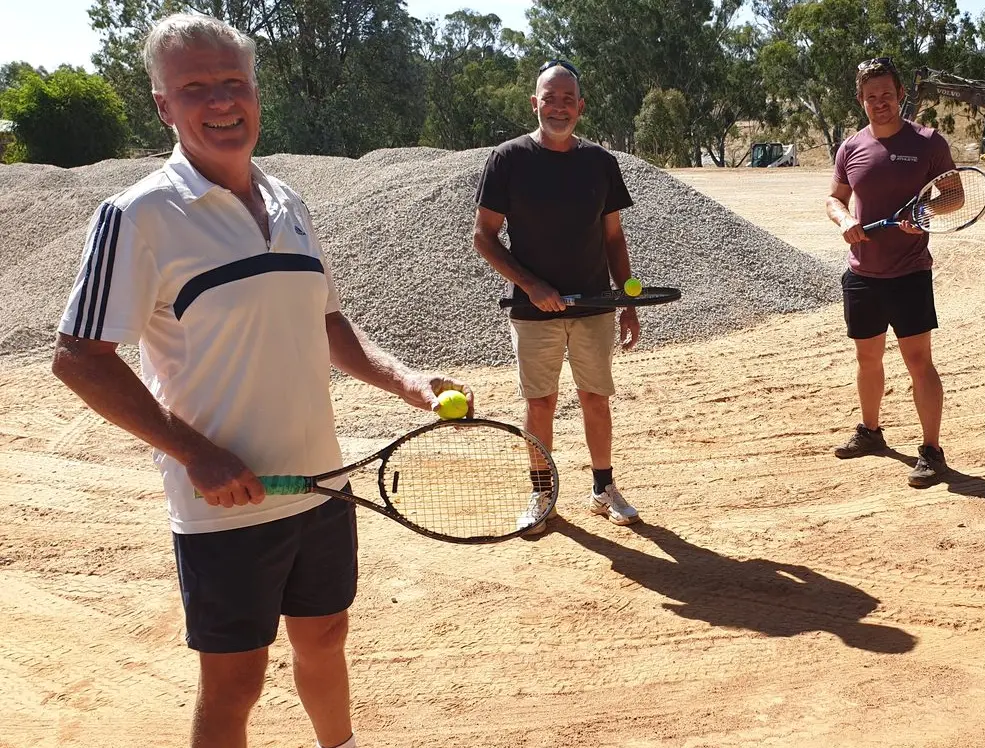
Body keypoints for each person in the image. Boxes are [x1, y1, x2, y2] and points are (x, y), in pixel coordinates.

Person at [49, 13, 468, 748]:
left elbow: (330, 325)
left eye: (233, 82)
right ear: (163, 105)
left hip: (323, 481)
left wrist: (409, 381)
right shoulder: (137, 216)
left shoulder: (289, 203)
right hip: (226, 503)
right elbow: (78, 357)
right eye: (196, 87)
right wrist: (196, 455)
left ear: (255, 92)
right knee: (236, 682)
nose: (220, 101)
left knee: (327, 635)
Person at [473, 59, 641, 533]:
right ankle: (542, 493)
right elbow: (483, 237)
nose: (559, 107)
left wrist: (627, 301)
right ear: (535, 103)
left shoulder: (600, 163)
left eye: (568, 98)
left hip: (593, 305)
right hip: (533, 310)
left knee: (595, 397)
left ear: (581, 107)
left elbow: (614, 239)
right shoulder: (508, 159)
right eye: (550, 97)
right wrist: (532, 285)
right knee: (540, 402)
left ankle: (603, 488)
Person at [825, 57, 956, 488]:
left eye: (887, 94)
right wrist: (845, 221)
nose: (879, 102)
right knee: (867, 358)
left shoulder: (928, 142)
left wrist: (924, 210)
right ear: (860, 100)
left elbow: (954, 195)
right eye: (871, 96)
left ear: (900, 94)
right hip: (863, 272)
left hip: (909, 272)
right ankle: (871, 432)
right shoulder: (850, 148)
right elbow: (834, 199)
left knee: (919, 362)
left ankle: (932, 452)